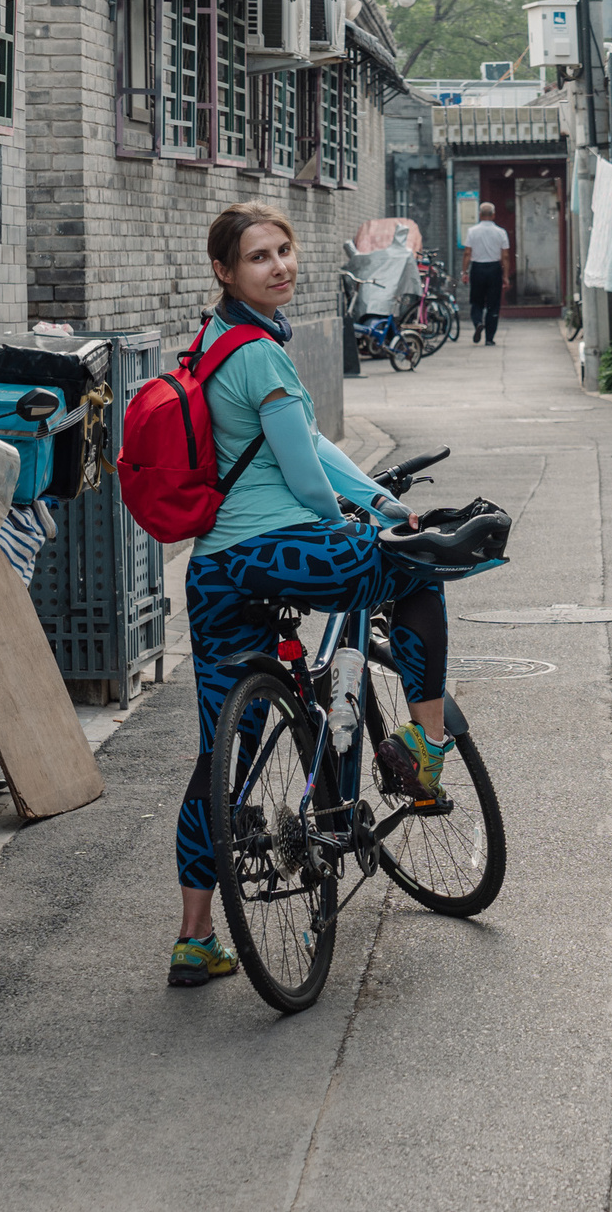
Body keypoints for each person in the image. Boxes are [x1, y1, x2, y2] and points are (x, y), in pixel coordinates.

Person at [168, 201, 454, 991]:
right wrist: (360, 523)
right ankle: (426, 750)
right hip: (278, 550)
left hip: (215, 569)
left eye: (285, 250)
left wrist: (376, 498)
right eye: (258, 256)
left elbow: (312, 444)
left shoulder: (211, 341)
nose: (279, 266)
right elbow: (303, 473)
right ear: (225, 270)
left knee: (219, 757)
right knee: (416, 569)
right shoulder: (262, 354)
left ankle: (195, 937)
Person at [463, 208, 510, 343]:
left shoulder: (472, 231)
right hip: (494, 269)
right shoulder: (501, 232)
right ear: (493, 215)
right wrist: (505, 276)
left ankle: (478, 322)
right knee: (493, 305)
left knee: (476, 301)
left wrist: (464, 272)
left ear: (480, 215)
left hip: (477, 268)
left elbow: (467, 253)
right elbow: (505, 256)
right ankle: (489, 338)